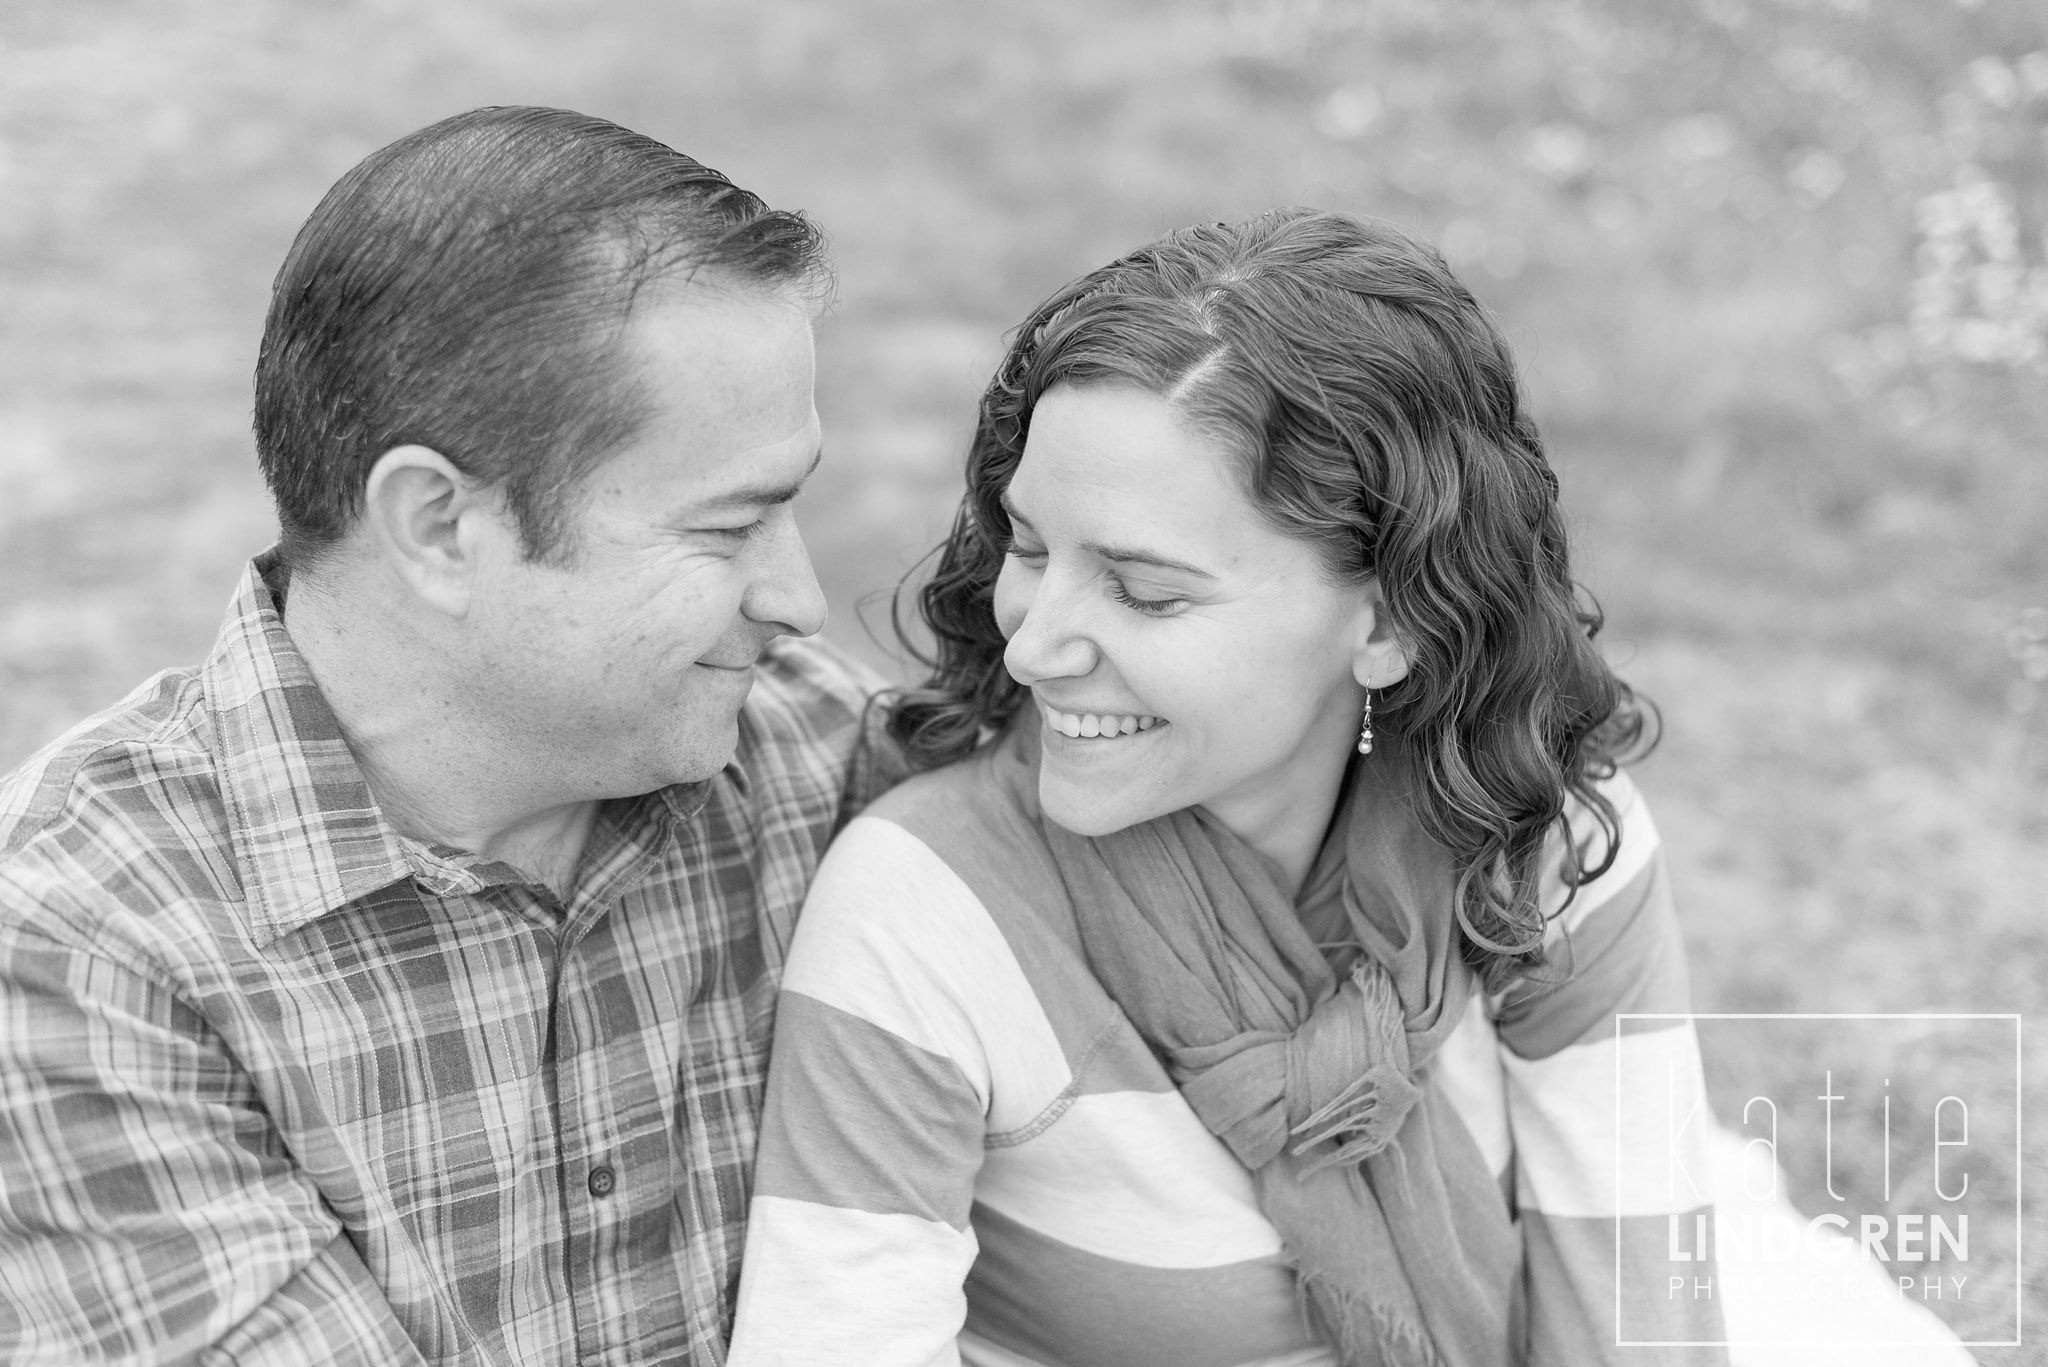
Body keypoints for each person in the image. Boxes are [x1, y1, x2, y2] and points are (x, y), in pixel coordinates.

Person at [726, 209, 1728, 1367]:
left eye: (1144, 593)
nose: (1033, 646)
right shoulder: (921, 911)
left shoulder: (1537, 843)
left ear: (1394, 618)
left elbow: (1638, 1316)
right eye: (1032, 548)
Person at [0, 106, 897, 1365]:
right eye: (723, 527)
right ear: (434, 524)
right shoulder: (83, 941)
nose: (796, 597)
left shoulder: (823, 757)